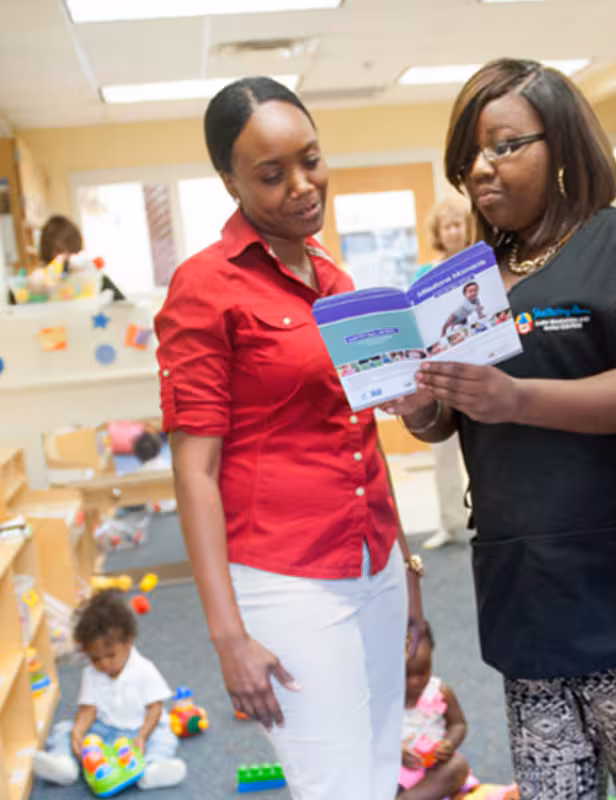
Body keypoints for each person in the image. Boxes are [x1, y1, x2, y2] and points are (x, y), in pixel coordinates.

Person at [383, 59, 616, 800]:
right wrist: (419, 406)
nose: (480, 169)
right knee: (551, 790)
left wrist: (517, 399)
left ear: (564, 144)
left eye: (504, 145)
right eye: (468, 156)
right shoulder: (467, 279)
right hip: (525, 577)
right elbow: (449, 416)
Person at [154, 76, 424, 800]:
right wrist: (227, 635)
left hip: (373, 564)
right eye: (272, 175)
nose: (303, 186)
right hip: (285, 579)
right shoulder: (205, 288)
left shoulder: (336, 279)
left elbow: (362, 430)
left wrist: (408, 569)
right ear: (229, 182)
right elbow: (195, 473)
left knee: (376, 767)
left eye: (311, 159)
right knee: (334, 783)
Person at [32, 590, 186, 790]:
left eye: (111, 655)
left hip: (141, 729)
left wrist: (142, 736)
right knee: (63, 730)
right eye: (96, 658)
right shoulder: (91, 673)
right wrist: (77, 733)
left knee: (164, 738)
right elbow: (89, 709)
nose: (104, 663)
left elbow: (155, 709)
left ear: (128, 641)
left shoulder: (144, 669)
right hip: (105, 731)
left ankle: (152, 768)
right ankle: (64, 764)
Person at [398, 622, 519, 800]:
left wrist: (448, 744)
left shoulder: (439, 691)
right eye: (406, 675)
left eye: (422, 672)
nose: (415, 682)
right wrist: (397, 752)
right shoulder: (384, 703)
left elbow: (458, 724)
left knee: (458, 766)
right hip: (400, 772)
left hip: (434, 770)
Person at [415, 197, 472, 550]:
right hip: (442, 375)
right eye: (446, 225)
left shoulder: (482, 267)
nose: (453, 230)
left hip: (482, 372)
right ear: (438, 232)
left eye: (458, 224)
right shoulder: (425, 275)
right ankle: (450, 524)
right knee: (444, 456)